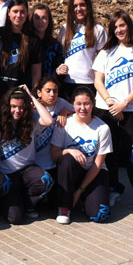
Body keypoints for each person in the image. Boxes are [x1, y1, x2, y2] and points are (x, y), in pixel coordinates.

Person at [93, 10, 133, 217]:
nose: (119, 30)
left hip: (130, 110)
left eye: (122, 25)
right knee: (108, 153)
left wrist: (124, 104)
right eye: (115, 27)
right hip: (106, 108)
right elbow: (98, 81)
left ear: (129, 26)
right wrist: (112, 103)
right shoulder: (105, 53)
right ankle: (113, 188)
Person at [50, 86, 112, 224]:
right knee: (65, 159)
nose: (83, 108)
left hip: (94, 172)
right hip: (72, 172)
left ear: (93, 104)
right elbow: (54, 156)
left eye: (87, 103)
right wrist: (69, 150)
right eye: (78, 104)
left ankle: (84, 198)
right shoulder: (64, 124)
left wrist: (79, 190)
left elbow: (98, 164)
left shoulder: (102, 128)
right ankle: (64, 207)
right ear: (73, 104)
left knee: (99, 216)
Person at [0, 85, 54, 224]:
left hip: (27, 170)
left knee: (46, 180)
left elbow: (49, 121)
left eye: (21, 107)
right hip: (7, 174)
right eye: (13, 106)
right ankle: (2, 203)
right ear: (7, 105)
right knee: (15, 219)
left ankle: (27, 205)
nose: (17, 111)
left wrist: (31, 96)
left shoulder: (32, 119)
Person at [0, 0, 42, 111]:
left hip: (19, 94)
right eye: (15, 11)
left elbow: (36, 73)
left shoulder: (33, 39)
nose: (18, 15)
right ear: (9, 13)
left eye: (22, 12)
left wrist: (33, 96)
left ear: (27, 13)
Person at [57, 0, 106, 99]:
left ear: (88, 6)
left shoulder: (98, 30)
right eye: (75, 6)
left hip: (88, 83)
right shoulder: (65, 29)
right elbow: (58, 56)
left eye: (82, 5)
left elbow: (103, 59)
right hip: (67, 82)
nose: (78, 9)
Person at [33, 75, 74, 183]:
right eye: (48, 91)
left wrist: (66, 111)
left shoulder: (61, 103)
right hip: (34, 161)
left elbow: (80, 112)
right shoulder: (33, 107)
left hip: (54, 160)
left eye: (55, 91)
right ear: (39, 92)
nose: (52, 94)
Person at [31, 3, 65, 80]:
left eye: (44, 18)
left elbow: (59, 70)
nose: (40, 21)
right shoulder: (26, 43)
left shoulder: (55, 46)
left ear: (49, 21)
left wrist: (59, 71)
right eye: (37, 18)